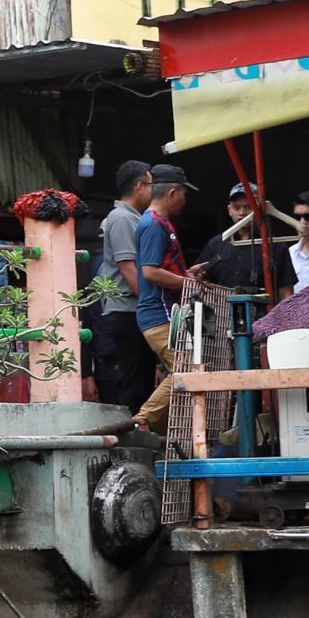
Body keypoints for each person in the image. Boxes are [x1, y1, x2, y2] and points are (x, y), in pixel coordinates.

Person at [130, 164, 195, 439]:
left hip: (164, 312)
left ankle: (161, 433)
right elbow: (150, 271)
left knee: (181, 371)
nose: (185, 200)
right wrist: (188, 283)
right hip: (160, 314)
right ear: (171, 193)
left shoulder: (161, 224)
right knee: (187, 369)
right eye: (183, 194)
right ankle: (141, 422)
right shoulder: (153, 224)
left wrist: (186, 274)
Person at [91, 161, 155, 413]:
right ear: (139, 187)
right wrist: (151, 303)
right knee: (133, 385)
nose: (154, 191)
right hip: (127, 312)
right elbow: (128, 267)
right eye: (151, 185)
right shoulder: (122, 218)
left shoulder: (134, 218)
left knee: (140, 382)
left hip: (132, 311)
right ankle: (128, 444)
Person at [193, 180, 267, 296]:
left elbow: (285, 291)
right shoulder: (216, 244)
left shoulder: (273, 245)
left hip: (261, 312)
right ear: (229, 210)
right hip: (220, 311)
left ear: (259, 209)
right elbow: (199, 281)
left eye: (248, 207)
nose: (242, 213)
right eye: (236, 208)